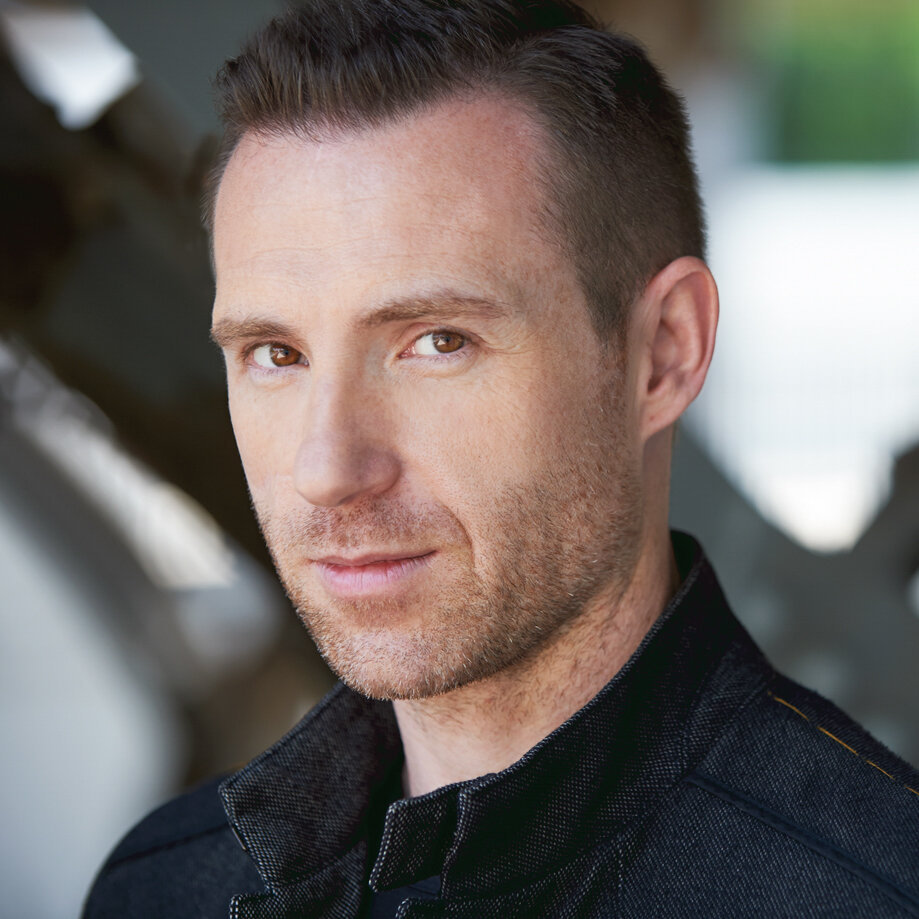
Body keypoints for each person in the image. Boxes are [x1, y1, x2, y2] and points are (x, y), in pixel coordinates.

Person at [84, 1, 919, 916]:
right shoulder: (161, 887)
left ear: (662, 352)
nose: (327, 469)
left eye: (437, 341)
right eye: (275, 354)